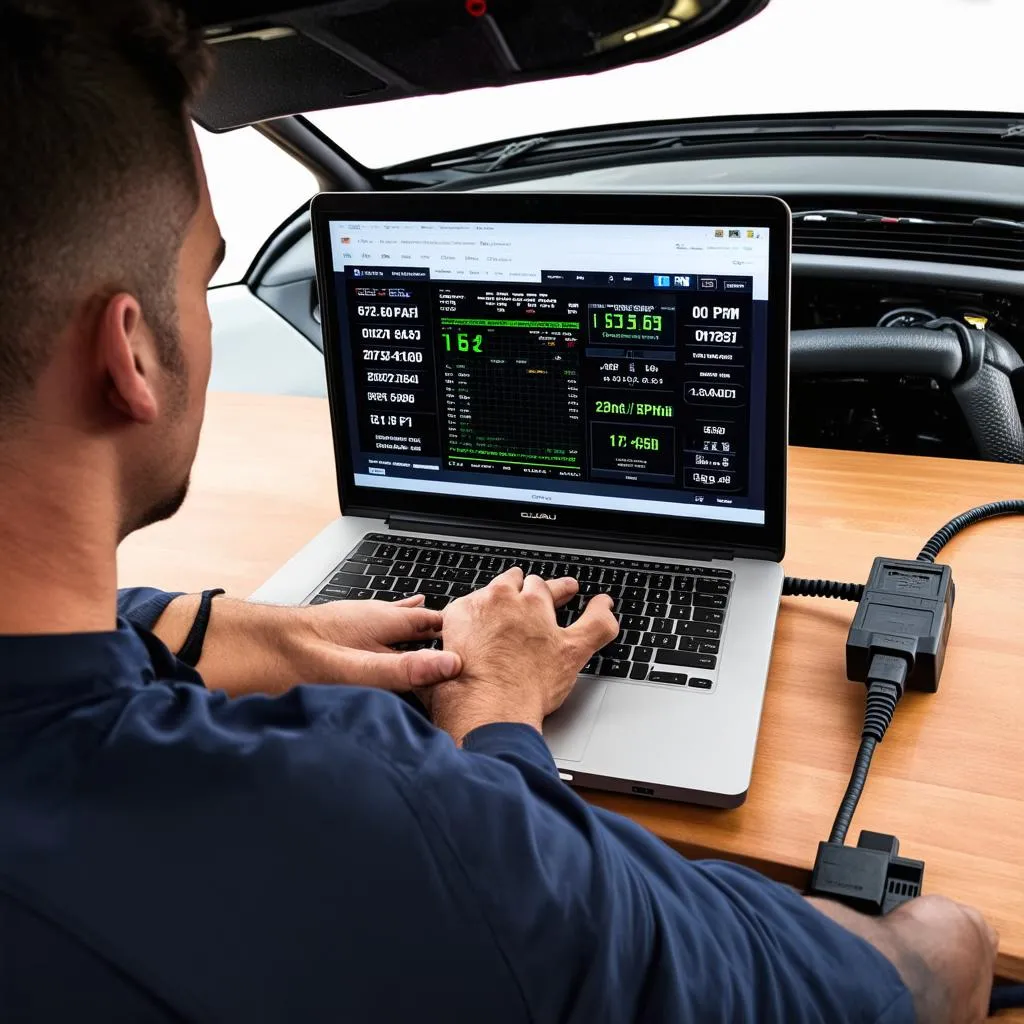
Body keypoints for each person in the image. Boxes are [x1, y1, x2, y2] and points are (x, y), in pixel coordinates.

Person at [0, 2, 997, 1021]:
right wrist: (493, 713)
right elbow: (908, 980)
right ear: (128, 355)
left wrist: (254, 630)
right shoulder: (388, 818)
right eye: (205, 278)